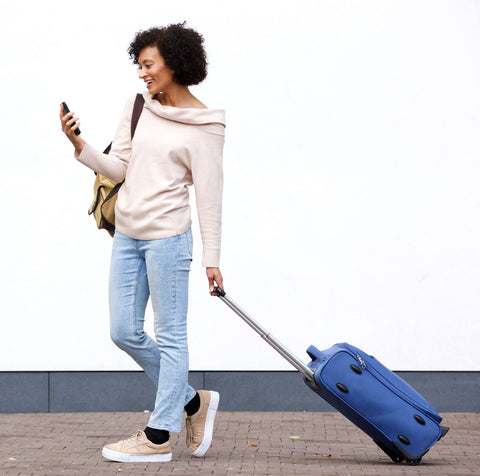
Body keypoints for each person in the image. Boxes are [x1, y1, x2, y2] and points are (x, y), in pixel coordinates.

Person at [60, 22, 225, 463]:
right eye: (139, 65)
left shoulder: (206, 125)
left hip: (169, 239)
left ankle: (158, 436)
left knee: (171, 336)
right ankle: (192, 402)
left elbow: (209, 197)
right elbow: (120, 169)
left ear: (174, 63)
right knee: (123, 331)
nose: (141, 73)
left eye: (148, 64)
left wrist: (213, 259)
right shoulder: (138, 105)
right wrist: (78, 143)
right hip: (128, 236)